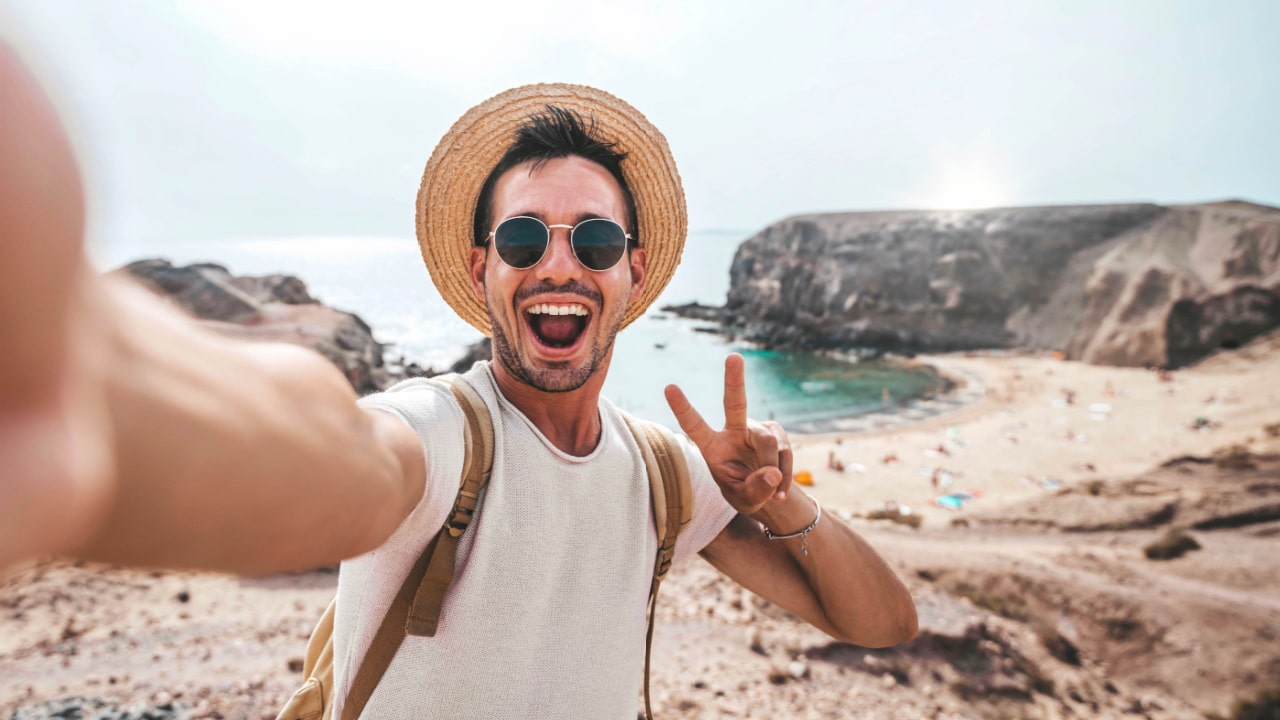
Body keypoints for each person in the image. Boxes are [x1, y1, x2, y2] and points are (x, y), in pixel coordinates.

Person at [1, 44, 916, 718]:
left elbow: (882, 623)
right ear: (483, 268)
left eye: (593, 239)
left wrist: (782, 505)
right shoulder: (439, 431)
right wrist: (83, 384)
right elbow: (345, 457)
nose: (559, 262)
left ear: (632, 273)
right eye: (524, 238)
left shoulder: (664, 475)